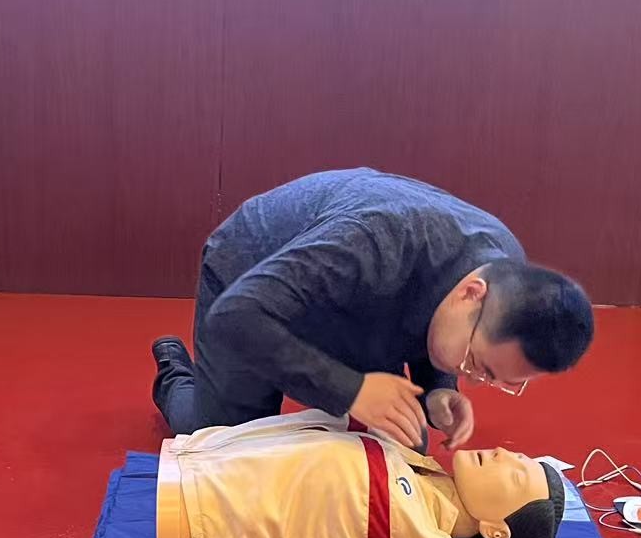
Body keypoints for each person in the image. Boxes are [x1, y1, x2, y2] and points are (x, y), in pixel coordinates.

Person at [150, 168, 595, 448]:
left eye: (494, 379)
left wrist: (440, 388)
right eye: (476, 364)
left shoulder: (504, 266)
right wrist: (353, 390)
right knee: (223, 441)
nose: (475, 379)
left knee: (407, 445)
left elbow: (436, 304)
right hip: (250, 277)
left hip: (357, 299)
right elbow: (237, 316)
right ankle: (176, 372)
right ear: (472, 293)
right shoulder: (377, 240)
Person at [156, 409, 566, 538]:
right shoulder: (418, 465)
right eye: (515, 456)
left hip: (193, 509)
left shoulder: (410, 532)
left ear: (496, 531)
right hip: (197, 455)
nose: (501, 455)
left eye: (515, 476)